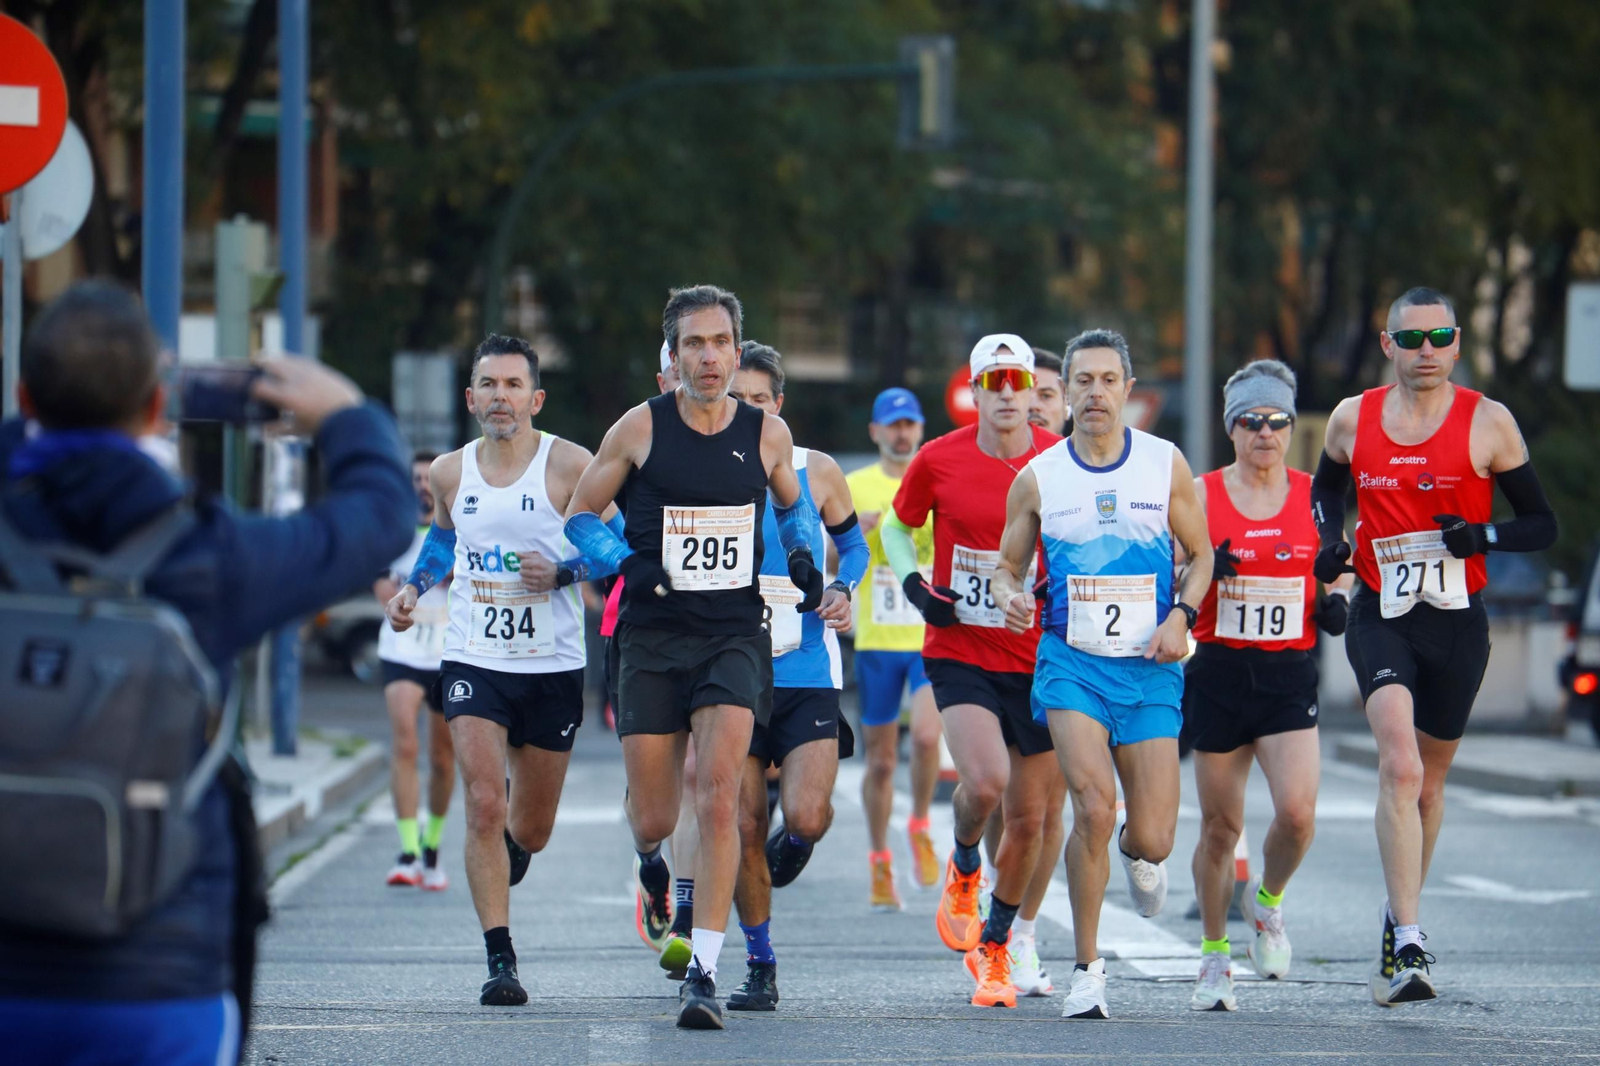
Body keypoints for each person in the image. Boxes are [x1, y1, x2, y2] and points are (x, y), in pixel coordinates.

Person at [0, 280, 414, 1065]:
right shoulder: (208, 556)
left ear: (25, 399)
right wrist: (347, 414)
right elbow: (378, 518)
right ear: (158, 409)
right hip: (161, 982)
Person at [563, 284, 824, 1030]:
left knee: (720, 797)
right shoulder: (638, 429)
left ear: (737, 351)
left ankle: (703, 971)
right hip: (651, 639)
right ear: (673, 357)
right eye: (693, 345)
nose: (708, 358)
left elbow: (791, 503)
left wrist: (803, 554)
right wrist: (626, 563)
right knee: (654, 813)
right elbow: (579, 515)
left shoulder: (766, 433)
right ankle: (650, 867)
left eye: (720, 344)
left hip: (734, 636)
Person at [1312, 287, 1556, 1006]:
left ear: (1455, 345)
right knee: (1401, 763)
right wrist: (1331, 540)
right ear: (1387, 344)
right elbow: (1325, 490)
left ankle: (1397, 912)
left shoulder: (1490, 423)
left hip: (1458, 621)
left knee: (1432, 784)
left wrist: (1481, 536)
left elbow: (1541, 525)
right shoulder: (1353, 418)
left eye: (1440, 337)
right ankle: (1410, 942)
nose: (1426, 351)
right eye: (1411, 339)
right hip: (1380, 611)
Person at [991, 328, 1213, 1021]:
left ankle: (1136, 851)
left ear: (1128, 389)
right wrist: (1008, 593)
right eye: (1080, 380)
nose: (1092, 392)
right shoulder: (1038, 478)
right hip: (1071, 665)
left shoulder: (1163, 464)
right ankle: (1089, 969)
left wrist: (1182, 614)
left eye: (1106, 380)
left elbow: (1203, 556)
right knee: (1090, 805)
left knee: (1153, 836)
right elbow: (1006, 565)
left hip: (1148, 668)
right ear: (1063, 396)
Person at [386, 334, 602, 1007]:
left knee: (528, 828)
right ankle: (500, 959)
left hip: (553, 663)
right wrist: (416, 589)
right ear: (471, 396)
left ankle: (514, 851)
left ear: (535, 398)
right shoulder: (450, 472)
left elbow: (619, 551)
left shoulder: (570, 466)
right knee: (484, 800)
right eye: (489, 384)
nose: (500, 396)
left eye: (513, 385)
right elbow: (444, 540)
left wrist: (564, 570)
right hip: (475, 655)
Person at [880, 335, 1064, 1009]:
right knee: (986, 783)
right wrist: (916, 585)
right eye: (997, 381)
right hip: (960, 649)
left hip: (1041, 657)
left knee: (1032, 820)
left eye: (1021, 380)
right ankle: (962, 864)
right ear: (977, 391)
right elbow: (897, 529)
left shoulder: (1060, 462)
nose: (1011, 392)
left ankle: (993, 947)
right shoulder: (939, 458)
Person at [1182, 360, 1354, 1011]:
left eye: (1277, 420)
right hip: (1220, 671)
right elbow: (1173, 572)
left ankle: (1269, 902)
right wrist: (1199, 569)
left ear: (1289, 427)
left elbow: (1339, 567)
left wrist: (1337, 603)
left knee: (1298, 815)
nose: (1265, 432)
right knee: (1220, 828)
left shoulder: (1316, 495)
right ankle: (1213, 957)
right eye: (1252, 421)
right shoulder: (1200, 495)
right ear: (1232, 429)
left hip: (1287, 675)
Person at [724, 341, 869, 1011]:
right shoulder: (706, 473)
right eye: (737, 400)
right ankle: (760, 962)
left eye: (759, 401)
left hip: (808, 668)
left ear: (778, 406)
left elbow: (857, 544)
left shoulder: (819, 469)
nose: (748, 412)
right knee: (745, 825)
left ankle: (800, 839)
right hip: (732, 670)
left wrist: (842, 586)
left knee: (805, 814)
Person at [845, 388, 944, 910]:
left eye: (910, 423)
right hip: (877, 639)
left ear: (921, 428)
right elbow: (827, 545)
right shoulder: (855, 486)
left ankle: (922, 822)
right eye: (893, 424)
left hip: (928, 636)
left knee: (928, 737)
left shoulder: (935, 478)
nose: (902, 433)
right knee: (881, 762)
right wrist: (851, 535)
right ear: (875, 432)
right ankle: (880, 860)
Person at [374, 451, 456, 891]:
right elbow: (377, 578)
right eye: (417, 478)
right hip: (402, 649)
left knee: (443, 758)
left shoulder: (453, 529)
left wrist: (452, 573)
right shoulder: (394, 532)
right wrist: (389, 590)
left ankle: (431, 848)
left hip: (446, 653)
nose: (424, 485)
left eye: (429, 478)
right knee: (405, 742)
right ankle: (407, 849)